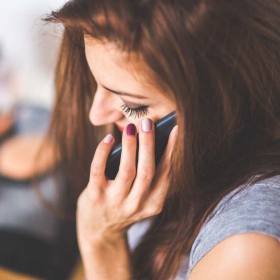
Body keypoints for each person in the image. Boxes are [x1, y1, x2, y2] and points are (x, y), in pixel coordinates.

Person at [41, 0, 280, 279]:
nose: (96, 114)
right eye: (98, 84)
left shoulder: (246, 251)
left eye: (133, 105)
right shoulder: (187, 167)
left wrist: (102, 243)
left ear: (223, 106)